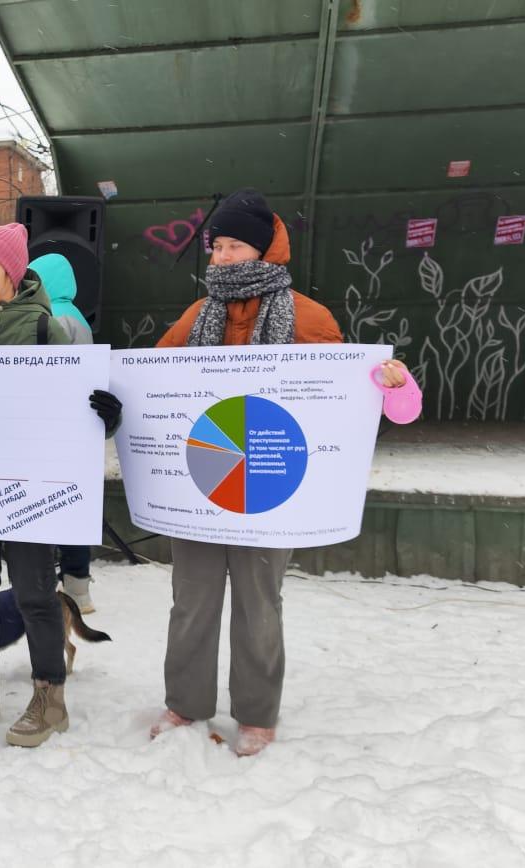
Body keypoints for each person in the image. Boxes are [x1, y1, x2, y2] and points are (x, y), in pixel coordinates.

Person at [150, 188, 411, 756]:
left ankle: (257, 713)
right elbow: (156, 379)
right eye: (215, 246)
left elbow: (342, 407)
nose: (219, 256)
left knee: (258, 602)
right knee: (191, 599)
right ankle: (185, 702)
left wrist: (390, 388)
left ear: (266, 252)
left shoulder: (310, 317)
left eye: (233, 244)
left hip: (272, 481)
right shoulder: (197, 315)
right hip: (203, 479)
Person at [0, 223, 121, 748]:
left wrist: (102, 416)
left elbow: (71, 405)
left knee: (37, 594)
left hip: (29, 485)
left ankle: (48, 697)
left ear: (12, 273)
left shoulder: (44, 329)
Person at [28, 252, 98, 614]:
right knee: (74, 509)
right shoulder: (78, 317)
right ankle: (79, 588)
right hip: (77, 429)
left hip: (52, 428)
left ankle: (56, 587)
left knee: (52, 508)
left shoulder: (50, 318)